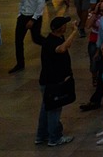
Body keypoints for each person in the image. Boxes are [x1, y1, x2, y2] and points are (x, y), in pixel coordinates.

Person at [35, 15, 76, 147]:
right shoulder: (51, 42)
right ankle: (55, 138)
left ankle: (41, 135)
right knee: (54, 109)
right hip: (52, 82)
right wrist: (75, 31)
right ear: (60, 28)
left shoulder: (57, 38)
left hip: (48, 81)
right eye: (64, 24)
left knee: (46, 108)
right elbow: (62, 48)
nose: (66, 26)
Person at [11, 0, 47, 73]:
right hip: (23, 17)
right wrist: (19, 15)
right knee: (18, 41)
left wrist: (33, 19)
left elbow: (40, 5)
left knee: (36, 38)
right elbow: (21, 3)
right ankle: (20, 64)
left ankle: (50, 45)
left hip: (34, 17)